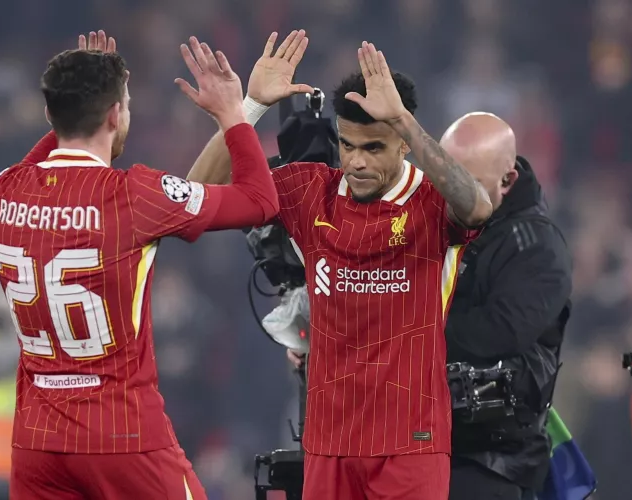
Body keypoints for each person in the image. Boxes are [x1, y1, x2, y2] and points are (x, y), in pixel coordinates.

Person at [189, 39, 493, 500]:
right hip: (328, 445)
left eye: (374, 147)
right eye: (347, 145)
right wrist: (247, 108)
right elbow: (190, 197)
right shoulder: (311, 190)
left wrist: (404, 120)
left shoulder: (431, 202)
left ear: (404, 145)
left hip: (410, 444)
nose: (356, 161)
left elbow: (478, 209)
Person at [0, 30, 281, 500]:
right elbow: (260, 201)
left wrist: (82, 94)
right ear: (115, 114)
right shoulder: (135, 195)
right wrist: (232, 112)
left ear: (49, 114)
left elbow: (46, 156)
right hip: (121, 436)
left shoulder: (3, 192)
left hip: (37, 443)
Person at [442, 113, 572, 500]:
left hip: (491, 462)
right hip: (421, 444)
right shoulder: (433, 222)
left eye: (470, 186)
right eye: (446, 179)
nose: (454, 195)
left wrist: (402, 333)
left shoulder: (537, 246)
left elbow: (498, 332)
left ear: (508, 181)